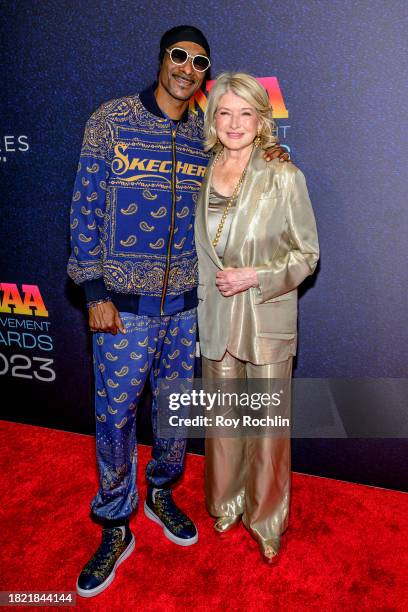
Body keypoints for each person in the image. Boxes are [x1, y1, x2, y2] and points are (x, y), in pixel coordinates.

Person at [68, 27, 289, 596]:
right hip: (122, 307)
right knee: (115, 417)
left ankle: (163, 491)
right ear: (162, 58)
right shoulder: (110, 120)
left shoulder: (206, 134)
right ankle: (115, 520)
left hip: (189, 308)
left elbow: (245, 168)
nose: (189, 67)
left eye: (200, 62)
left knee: (172, 414)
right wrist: (93, 292)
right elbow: (84, 208)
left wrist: (271, 153)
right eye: (180, 56)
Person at [195, 72, 319, 562]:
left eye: (246, 112)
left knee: (266, 426)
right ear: (212, 119)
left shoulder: (283, 173)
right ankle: (226, 503)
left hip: (265, 313)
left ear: (262, 120)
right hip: (217, 316)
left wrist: (254, 276)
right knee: (223, 419)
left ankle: (268, 518)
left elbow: (306, 254)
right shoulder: (200, 170)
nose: (234, 122)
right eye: (224, 112)